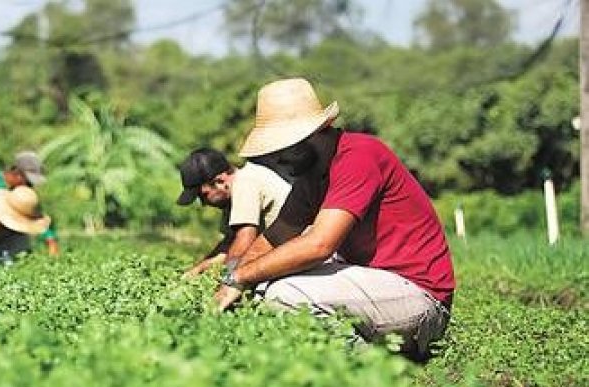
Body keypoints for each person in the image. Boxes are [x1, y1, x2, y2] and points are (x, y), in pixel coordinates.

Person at [216, 78, 455, 359]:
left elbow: (319, 246)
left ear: (313, 134)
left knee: (284, 295)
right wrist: (231, 281)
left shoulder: (359, 155)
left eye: (282, 149)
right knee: (263, 286)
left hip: (420, 296)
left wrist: (240, 277)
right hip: (376, 287)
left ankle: (368, 368)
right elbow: (273, 238)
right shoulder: (311, 178)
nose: (278, 160)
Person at [175, 147, 292, 277]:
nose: (203, 203)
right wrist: (198, 270)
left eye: (203, 195)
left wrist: (226, 279)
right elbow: (229, 244)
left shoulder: (245, 182)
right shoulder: (233, 193)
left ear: (220, 181)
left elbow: (244, 240)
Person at [0, 150, 60, 256]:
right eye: (28, 181)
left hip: (5, 237)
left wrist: (50, 239)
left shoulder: (22, 191)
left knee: (22, 238)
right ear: (17, 174)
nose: (30, 186)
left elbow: (34, 215)